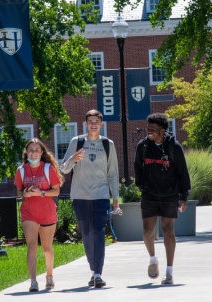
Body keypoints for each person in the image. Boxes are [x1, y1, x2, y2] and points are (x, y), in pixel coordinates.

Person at [60, 109, 120, 288]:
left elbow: (113, 173)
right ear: (85, 124)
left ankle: (98, 274)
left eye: (97, 121)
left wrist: (115, 198)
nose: (93, 124)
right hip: (80, 196)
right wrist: (73, 159)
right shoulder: (76, 142)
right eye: (90, 121)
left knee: (99, 233)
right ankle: (93, 270)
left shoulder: (108, 144)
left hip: (101, 196)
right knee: (86, 234)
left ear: (101, 124)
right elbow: (63, 168)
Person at [133, 113, 191, 285]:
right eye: (148, 128)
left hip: (170, 194)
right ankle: (153, 259)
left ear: (162, 130)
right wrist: (141, 185)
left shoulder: (174, 147)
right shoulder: (143, 146)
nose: (148, 132)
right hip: (149, 194)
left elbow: (182, 172)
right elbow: (138, 166)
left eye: (153, 129)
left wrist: (184, 196)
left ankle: (169, 271)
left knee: (168, 231)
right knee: (147, 231)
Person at [14, 138, 64, 292]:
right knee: (32, 246)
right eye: (31, 150)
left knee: (47, 248)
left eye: (36, 150)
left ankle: (49, 275)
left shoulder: (48, 169)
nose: (33, 152)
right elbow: (18, 192)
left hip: (47, 211)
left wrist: (41, 192)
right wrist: (24, 194)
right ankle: (33, 281)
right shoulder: (21, 170)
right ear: (26, 152)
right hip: (28, 212)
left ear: (42, 152)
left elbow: (56, 191)